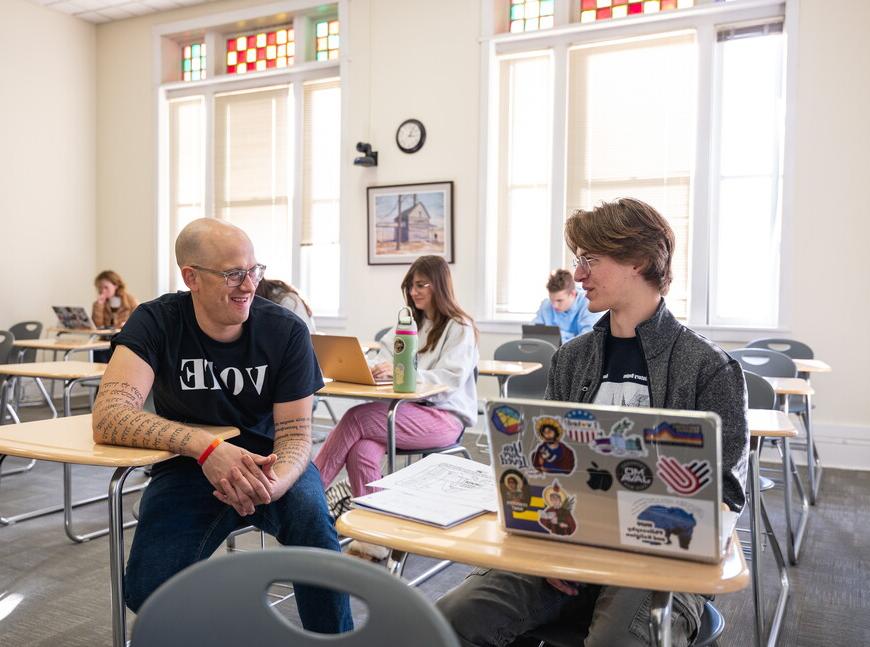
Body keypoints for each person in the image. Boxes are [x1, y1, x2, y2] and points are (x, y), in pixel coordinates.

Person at [437, 198, 749, 647]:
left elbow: (726, 496)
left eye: (590, 260)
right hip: (565, 548)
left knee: (615, 641)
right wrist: (548, 550)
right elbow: (542, 475)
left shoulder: (708, 368)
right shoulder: (572, 358)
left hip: (658, 565)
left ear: (638, 260)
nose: (578, 274)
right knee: (450, 618)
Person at [91, 218, 351, 633]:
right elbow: (110, 415)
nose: (248, 285)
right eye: (233, 274)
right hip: (189, 464)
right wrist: (206, 448)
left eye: (253, 270)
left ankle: (336, 641)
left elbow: (296, 435)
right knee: (147, 589)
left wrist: (271, 484)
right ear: (191, 277)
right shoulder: (156, 322)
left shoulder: (285, 330)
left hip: (270, 460)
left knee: (316, 532)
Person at [314, 255, 479, 560]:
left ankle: (307, 492)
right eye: (411, 286)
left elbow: (449, 378)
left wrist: (403, 373)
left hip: (444, 417)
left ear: (439, 286)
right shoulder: (410, 323)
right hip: (406, 413)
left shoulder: (459, 327)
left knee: (357, 418)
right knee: (362, 448)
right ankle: (373, 535)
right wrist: (376, 368)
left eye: (421, 285)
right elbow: (384, 356)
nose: (414, 292)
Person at [532, 268, 600, 344]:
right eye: (551, 300)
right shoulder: (546, 305)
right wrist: (570, 336)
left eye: (559, 300)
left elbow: (587, 341)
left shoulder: (588, 304)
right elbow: (533, 335)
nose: (554, 305)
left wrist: (557, 336)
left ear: (572, 294)